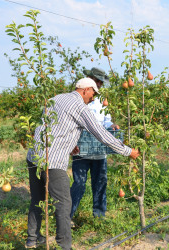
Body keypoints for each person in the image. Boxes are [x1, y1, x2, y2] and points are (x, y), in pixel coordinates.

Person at [25, 77, 140, 249]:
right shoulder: (80, 107)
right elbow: (100, 133)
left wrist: (69, 145)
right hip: (53, 162)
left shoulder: (55, 99)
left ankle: (32, 240)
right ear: (85, 89)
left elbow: (49, 127)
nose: (93, 98)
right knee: (64, 204)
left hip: (34, 157)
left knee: (37, 199)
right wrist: (127, 150)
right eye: (93, 93)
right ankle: (65, 246)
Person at [70, 67, 117, 222]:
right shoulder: (77, 98)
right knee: (79, 183)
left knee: (100, 182)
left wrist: (112, 126)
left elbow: (106, 120)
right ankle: (68, 215)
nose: (99, 85)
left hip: (98, 149)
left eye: (100, 83)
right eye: (97, 81)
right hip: (80, 149)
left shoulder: (101, 100)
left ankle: (99, 216)